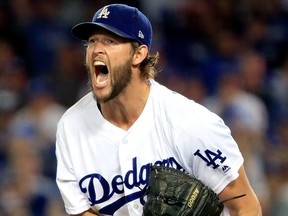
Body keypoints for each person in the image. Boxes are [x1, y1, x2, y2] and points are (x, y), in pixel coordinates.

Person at [55, 3, 262, 216]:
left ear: (139, 54)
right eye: (91, 41)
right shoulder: (71, 127)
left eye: (110, 41)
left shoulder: (190, 122)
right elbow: (81, 211)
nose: (96, 49)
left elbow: (246, 206)